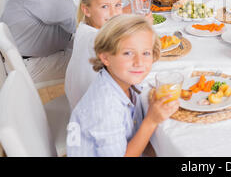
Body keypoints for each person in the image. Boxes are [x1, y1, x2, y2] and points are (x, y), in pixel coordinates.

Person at [67, 14, 179, 157]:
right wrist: (151, 121)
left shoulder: (125, 83)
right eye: (128, 53)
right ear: (106, 57)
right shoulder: (105, 108)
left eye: (145, 53)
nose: (139, 62)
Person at [64, 0, 123, 110]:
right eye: (104, 6)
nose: (114, 13)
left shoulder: (85, 27)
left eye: (118, 5)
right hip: (94, 115)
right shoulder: (97, 40)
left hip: (83, 105)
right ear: (86, 10)